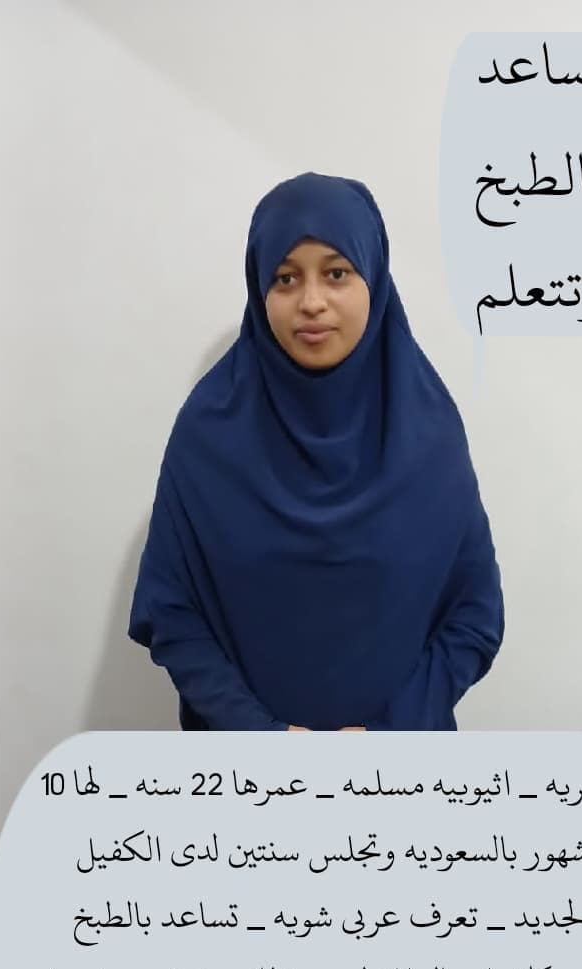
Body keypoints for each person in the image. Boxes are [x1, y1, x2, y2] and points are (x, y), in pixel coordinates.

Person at [128, 171, 504, 731]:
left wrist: (390, 733)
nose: (311, 302)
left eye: (336, 273)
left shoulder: (428, 431)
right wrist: (263, 740)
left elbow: (475, 614)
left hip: (400, 771)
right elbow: (171, 613)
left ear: (373, 277)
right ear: (259, 287)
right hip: (243, 772)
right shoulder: (208, 433)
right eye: (285, 278)